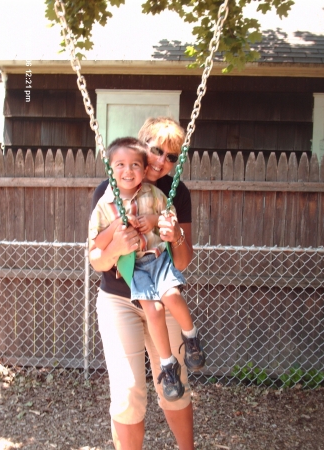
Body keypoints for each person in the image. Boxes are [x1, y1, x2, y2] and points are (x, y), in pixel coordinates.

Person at [89, 117, 197, 450]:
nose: (163, 161)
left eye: (172, 156)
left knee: (174, 386)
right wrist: (117, 248)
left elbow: (182, 261)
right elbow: (96, 259)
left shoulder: (177, 193)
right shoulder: (108, 190)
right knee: (128, 391)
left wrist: (174, 235)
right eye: (156, 151)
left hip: (161, 298)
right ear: (141, 146)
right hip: (119, 301)